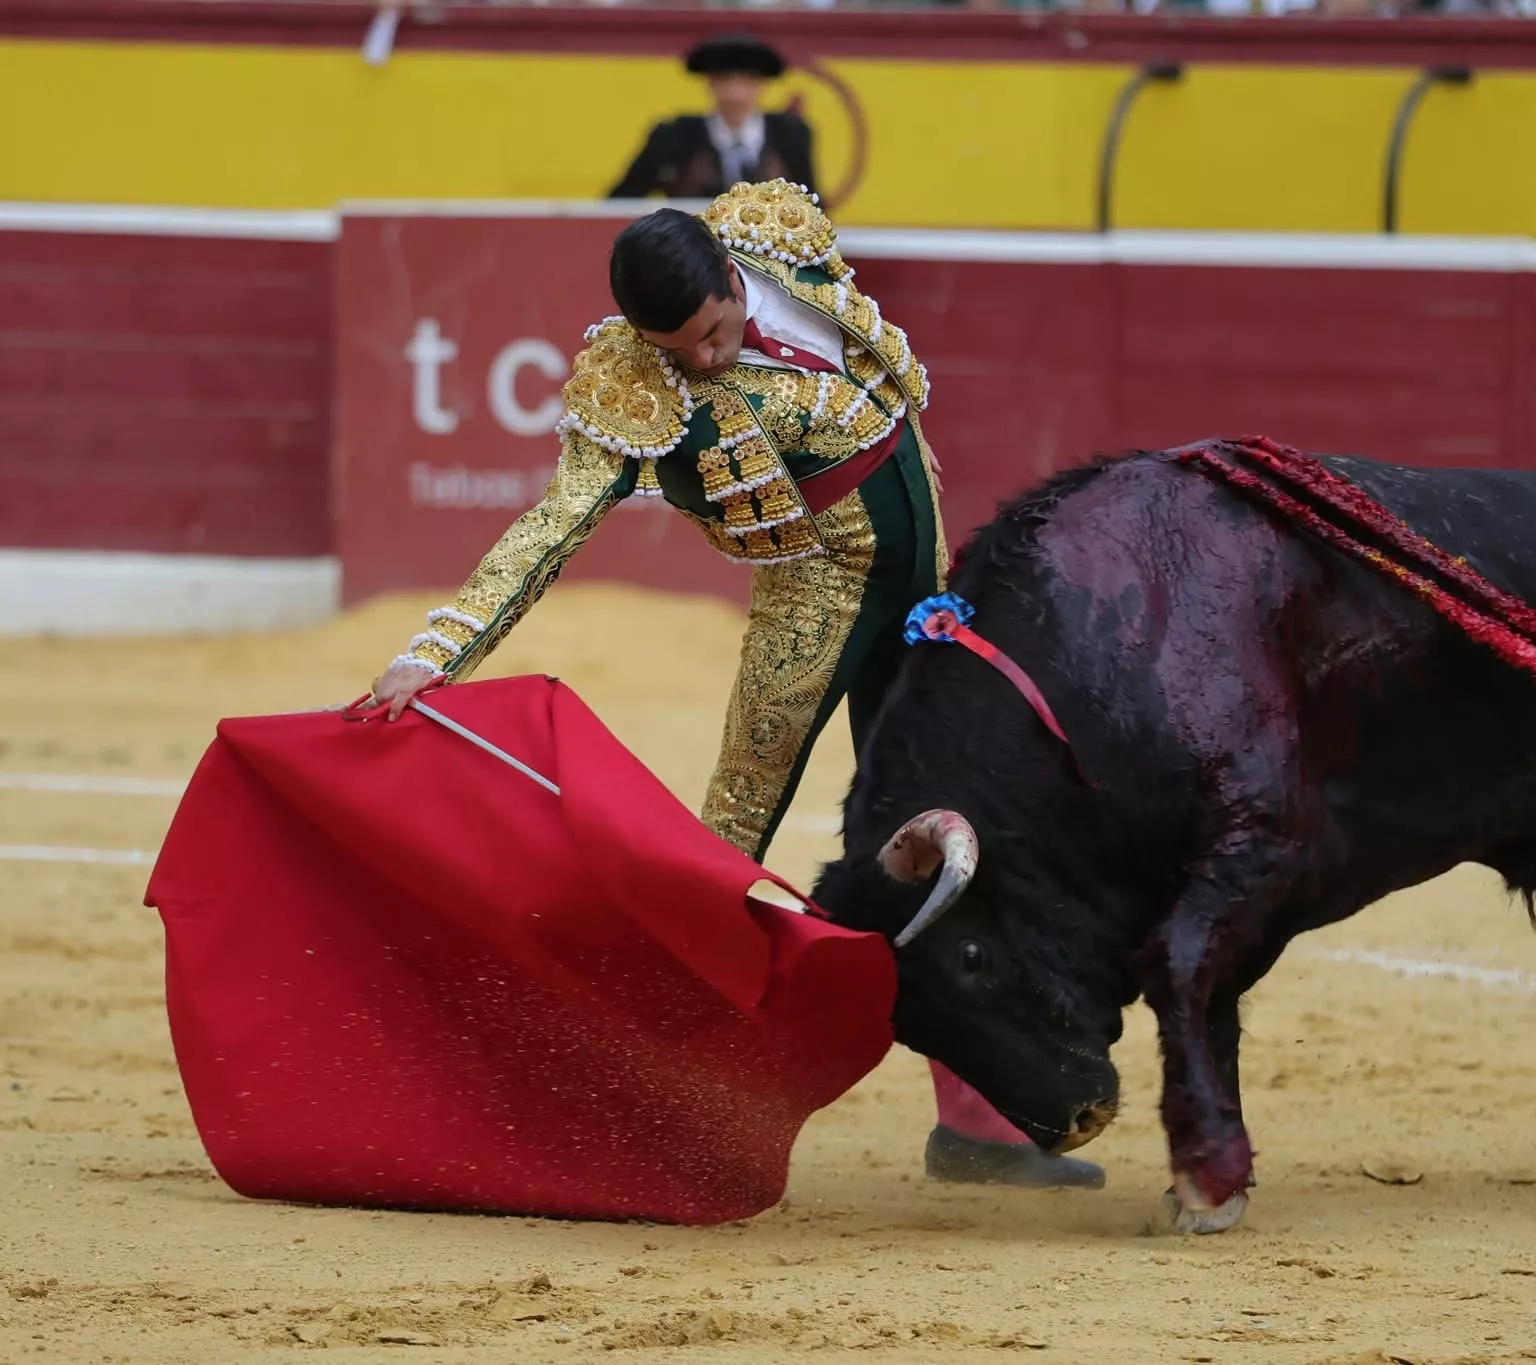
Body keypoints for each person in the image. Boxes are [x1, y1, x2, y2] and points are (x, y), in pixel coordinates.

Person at [360, 180, 1103, 1191]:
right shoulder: (631, 385)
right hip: (815, 596)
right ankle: (651, 1104)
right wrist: (438, 652)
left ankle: (977, 1123)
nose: (702, 361)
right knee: (729, 837)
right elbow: (551, 527)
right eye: (677, 349)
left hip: (925, 586)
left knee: (952, 831)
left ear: (729, 273)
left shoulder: (780, 241)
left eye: (711, 332)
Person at [608, 35, 819, 203]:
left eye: (747, 81)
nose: (735, 94)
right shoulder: (673, 136)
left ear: (761, 85)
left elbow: (811, 203)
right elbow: (621, 202)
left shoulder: (791, 134)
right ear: (710, 84)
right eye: (724, 81)